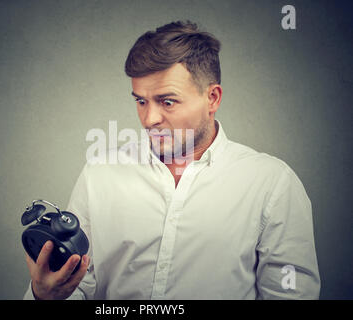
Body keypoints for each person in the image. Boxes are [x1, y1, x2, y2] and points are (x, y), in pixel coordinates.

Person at [23, 20, 320, 300]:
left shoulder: (272, 184)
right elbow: (75, 285)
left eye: (168, 101)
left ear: (212, 98)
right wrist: (44, 296)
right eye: (140, 101)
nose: (149, 119)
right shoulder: (99, 174)